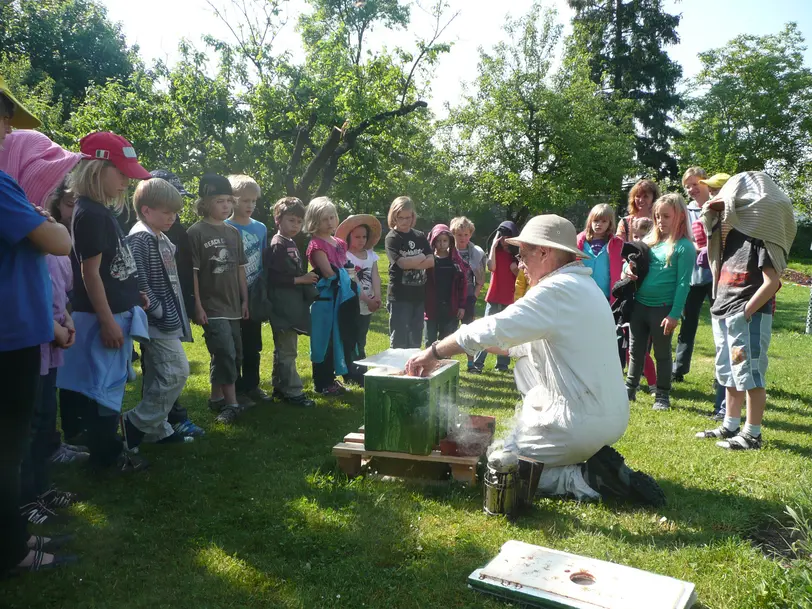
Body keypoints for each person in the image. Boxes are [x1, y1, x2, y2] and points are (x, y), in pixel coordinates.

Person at [405, 215, 664, 506]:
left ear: (544, 251)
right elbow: (515, 345)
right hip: (607, 416)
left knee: (499, 463)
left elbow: (493, 328)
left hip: (582, 422)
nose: (520, 262)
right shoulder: (582, 286)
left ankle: (585, 480)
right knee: (516, 419)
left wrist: (434, 351)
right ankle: (591, 465)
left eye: (524, 253)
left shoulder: (556, 290)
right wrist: (466, 343)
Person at [0, 79, 76, 574]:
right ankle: (13, 553)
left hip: (18, 333)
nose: (6, 128)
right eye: (1, 117)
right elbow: (58, 240)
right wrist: (44, 222)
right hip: (10, 341)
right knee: (6, 454)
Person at [56, 132, 152, 473]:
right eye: (122, 173)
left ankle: (105, 450)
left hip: (116, 309)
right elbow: (90, 273)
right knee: (103, 392)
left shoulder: (100, 211)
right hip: (101, 319)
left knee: (107, 386)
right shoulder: (91, 214)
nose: (127, 181)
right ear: (97, 168)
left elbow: (114, 266)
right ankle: (107, 457)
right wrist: (109, 320)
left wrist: (129, 291)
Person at [695, 171, 796, 450]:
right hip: (724, 311)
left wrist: (746, 311)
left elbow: (772, 282)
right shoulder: (733, 235)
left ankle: (752, 433)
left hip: (746, 315)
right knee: (729, 373)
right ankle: (730, 424)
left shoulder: (763, 238)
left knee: (750, 373)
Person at [122, 178, 192, 451]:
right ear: (147, 210)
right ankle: (134, 424)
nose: (172, 217)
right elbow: (138, 279)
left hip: (167, 317)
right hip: (156, 321)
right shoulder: (140, 238)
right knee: (176, 372)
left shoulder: (158, 236)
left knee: (157, 376)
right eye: (166, 212)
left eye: (175, 212)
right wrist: (158, 309)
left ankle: (158, 429)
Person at [624, 193, 695, 411]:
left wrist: (674, 314)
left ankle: (662, 395)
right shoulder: (648, 241)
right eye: (657, 216)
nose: (660, 221)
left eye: (666, 216)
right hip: (640, 305)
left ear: (680, 216)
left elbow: (683, 284)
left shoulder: (684, 247)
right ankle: (629, 390)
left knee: (662, 353)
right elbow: (633, 263)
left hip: (663, 309)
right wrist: (629, 269)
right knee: (636, 351)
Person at [188, 174, 249, 425]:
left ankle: (215, 398)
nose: (225, 206)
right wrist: (197, 305)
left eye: (228, 201)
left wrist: (245, 301)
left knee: (233, 354)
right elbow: (193, 272)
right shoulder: (196, 232)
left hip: (234, 305)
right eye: (219, 201)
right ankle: (232, 404)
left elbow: (239, 269)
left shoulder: (234, 233)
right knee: (224, 351)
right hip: (211, 307)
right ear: (205, 203)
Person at [149, 169, 205, 438]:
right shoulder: (143, 235)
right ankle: (161, 420)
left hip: (177, 305)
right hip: (157, 312)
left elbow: (185, 271)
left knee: (170, 367)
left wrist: (191, 302)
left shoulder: (178, 230)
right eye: (167, 206)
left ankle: (164, 419)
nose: (174, 213)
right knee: (166, 368)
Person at [264, 197, 318, 407]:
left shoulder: (290, 243)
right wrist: (301, 279)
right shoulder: (278, 244)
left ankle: (280, 387)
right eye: (290, 220)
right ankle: (294, 392)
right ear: (278, 220)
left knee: (283, 348)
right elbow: (274, 278)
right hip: (282, 306)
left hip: (291, 304)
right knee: (288, 351)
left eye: (298, 221)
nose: (295, 225)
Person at [305, 197, 359, 395]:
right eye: (324, 219)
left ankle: (333, 378)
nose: (329, 222)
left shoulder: (339, 243)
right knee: (323, 341)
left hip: (341, 297)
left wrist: (347, 273)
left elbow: (345, 267)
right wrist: (346, 273)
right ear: (314, 221)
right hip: (325, 300)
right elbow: (328, 272)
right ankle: (322, 382)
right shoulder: (316, 245)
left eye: (332, 217)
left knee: (338, 337)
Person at [225, 174, 271, 406]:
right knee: (234, 344)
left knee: (253, 343)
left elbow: (263, 258)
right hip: (230, 294)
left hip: (254, 294)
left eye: (254, 201)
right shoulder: (225, 227)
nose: (250, 205)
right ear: (233, 200)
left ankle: (252, 385)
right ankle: (235, 389)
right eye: (245, 200)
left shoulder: (261, 228)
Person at [672, 167, 714, 382]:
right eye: (687, 186)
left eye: (695, 184)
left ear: (706, 183)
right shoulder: (686, 212)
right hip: (692, 274)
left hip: (716, 275)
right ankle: (678, 369)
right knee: (687, 323)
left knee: (719, 324)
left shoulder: (719, 206)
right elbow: (680, 237)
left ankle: (721, 373)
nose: (691, 189)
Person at [384, 196, 434, 348]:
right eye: (401, 218)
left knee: (415, 337)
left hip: (418, 295)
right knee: (399, 337)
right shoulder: (392, 238)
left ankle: (412, 369)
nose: (405, 221)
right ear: (394, 217)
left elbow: (431, 261)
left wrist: (413, 262)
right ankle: (396, 369)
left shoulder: (419, 236)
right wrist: (420, 257)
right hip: (399, 296)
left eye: (408, 217)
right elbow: (402, 263)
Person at [337, 214, 383, 377]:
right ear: (349, 237)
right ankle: (350, 372)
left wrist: (377, 296)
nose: (361, 240)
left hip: (368, 304)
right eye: (357, 237)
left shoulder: (371, 255)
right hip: (353, 302)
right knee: (351, 337)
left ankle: (361, 369)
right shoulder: (346, 256)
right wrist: (366, 299)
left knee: (362, 336)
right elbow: (353, 281)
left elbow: (375, 276)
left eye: (364, 236)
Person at [472, 221, 519, 373]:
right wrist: (493, 245)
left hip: (510, 298)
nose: (505, 241)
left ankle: (502, 364)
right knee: (486, 330)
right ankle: (478, 363)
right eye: (502, 237)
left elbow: (521, 275)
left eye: (508, 238)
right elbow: (491, 267)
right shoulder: (496, 253)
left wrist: (516, 267)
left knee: (505, 332)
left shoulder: (516, 256)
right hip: (494, 296)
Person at [450, 217, 486, 371]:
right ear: (453, 234)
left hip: (469, 296)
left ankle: (471, 364)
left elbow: (480, 280)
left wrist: (474, 297)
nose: (463, 238)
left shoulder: (476, 253)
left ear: (470, 234)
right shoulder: (448, 251)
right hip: (451, 296)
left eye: (466, 235)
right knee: (449, 330)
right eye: (459, 235)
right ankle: (447, 362)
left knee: (469, 330)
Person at [424, 224, 468, 346]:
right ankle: (429, 364)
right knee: (430, 340)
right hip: (431, 307)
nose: (441, 244)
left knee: (445, 342)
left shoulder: (455, 262)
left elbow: (462, 285)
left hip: (450, 307)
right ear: (433, 241)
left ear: (450, 242)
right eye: (438, 241)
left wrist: (461, 306)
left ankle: (444, 364)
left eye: (445, 240)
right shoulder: (429, 260)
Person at [577, 204, 623, 301]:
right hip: (581, 294)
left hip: (605, 296)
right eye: (596, 220)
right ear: (590, 221)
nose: (599, 224)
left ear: (610, 223)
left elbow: (622, 265)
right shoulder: (578, 241)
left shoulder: (617, 244)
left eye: (604, 221)